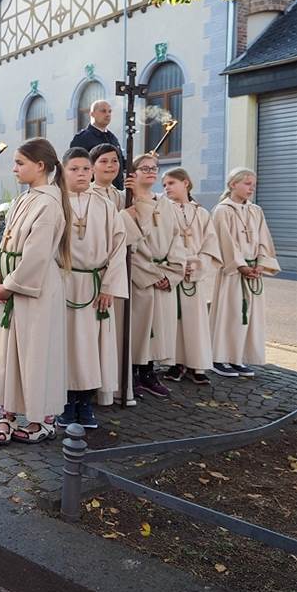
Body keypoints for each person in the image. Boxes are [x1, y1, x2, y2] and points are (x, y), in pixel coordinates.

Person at [0, 138, 70, 446]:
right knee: (10, 354)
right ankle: (7, 413)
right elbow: (7, 242)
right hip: (11, 283)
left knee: (36, 354)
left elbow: (36, 255)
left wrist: (8, 288)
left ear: (41, 166)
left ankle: (41, 420)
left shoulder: (49, 204)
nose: (14, 168)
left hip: (34, 290)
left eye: (20, 163)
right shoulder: (25, 199)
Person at [56, 148, 127, 430]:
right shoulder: (55, 203)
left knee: (92, 347)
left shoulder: (105, 205)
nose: (82, 174)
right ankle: (64, 401)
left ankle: (85, 402)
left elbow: (118, 247)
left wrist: (109, 286)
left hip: (96, 286)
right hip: (64, 283)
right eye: (74, 169)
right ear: (62, 171)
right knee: (66, 344)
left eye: (86, 168)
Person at [121, 153, 186, 399]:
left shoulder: (166, 203)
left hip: (165, 275)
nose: (151, 171)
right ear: (133, 173)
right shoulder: (128, 201)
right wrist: (151, 274)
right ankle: (135, 373)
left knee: (159, 328)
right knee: (139, 328)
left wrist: (170, 273)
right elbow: (131, 244)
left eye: (154, 167)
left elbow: (177, 239)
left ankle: (150, 373)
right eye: (144, 167)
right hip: (142, 276)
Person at [209, 168, 280, 377]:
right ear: (233, 184)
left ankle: (237, 358)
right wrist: (240, 265)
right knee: (229, 314)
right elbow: (224, 241)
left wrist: (260, 263)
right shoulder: (223, 210)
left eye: (253, 184)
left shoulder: (255, 211)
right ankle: (219, 358)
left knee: (246, 317)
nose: (252, 188)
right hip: (231, 273)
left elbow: (264, 239)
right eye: (248, 183)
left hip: (252, 271)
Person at [161, 168, 220, 384]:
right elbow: (161, 241)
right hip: (174, 271)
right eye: (164, 185)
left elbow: (210, 245)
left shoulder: (202, 213)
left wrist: (197, 267)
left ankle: (198, 364)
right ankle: (175, 363)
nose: (166, 188)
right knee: (175, 321)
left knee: (196, 321)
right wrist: (176, 266)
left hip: (194, 274)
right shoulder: (164, 210)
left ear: (185, 183)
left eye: (171, 183)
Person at [89, 142, 136, 406]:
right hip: (93, 272)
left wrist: (137, 195)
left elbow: (134, 234)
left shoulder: (121, 195)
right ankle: (91, 389)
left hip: (118, 271)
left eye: (115, 161)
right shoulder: (88, 194)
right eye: (104, 161)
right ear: (93, 166)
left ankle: (115, 387)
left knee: (116, 335)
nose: (110, 166)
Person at [70, 100, 125, 190]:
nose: (107, 114)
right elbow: (75, 166)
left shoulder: (112, 137)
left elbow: (121, 162)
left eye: (109, 111)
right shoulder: (82, 138)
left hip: (115, 191)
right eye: (103, 111)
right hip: (92, 192)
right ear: (92, 114)